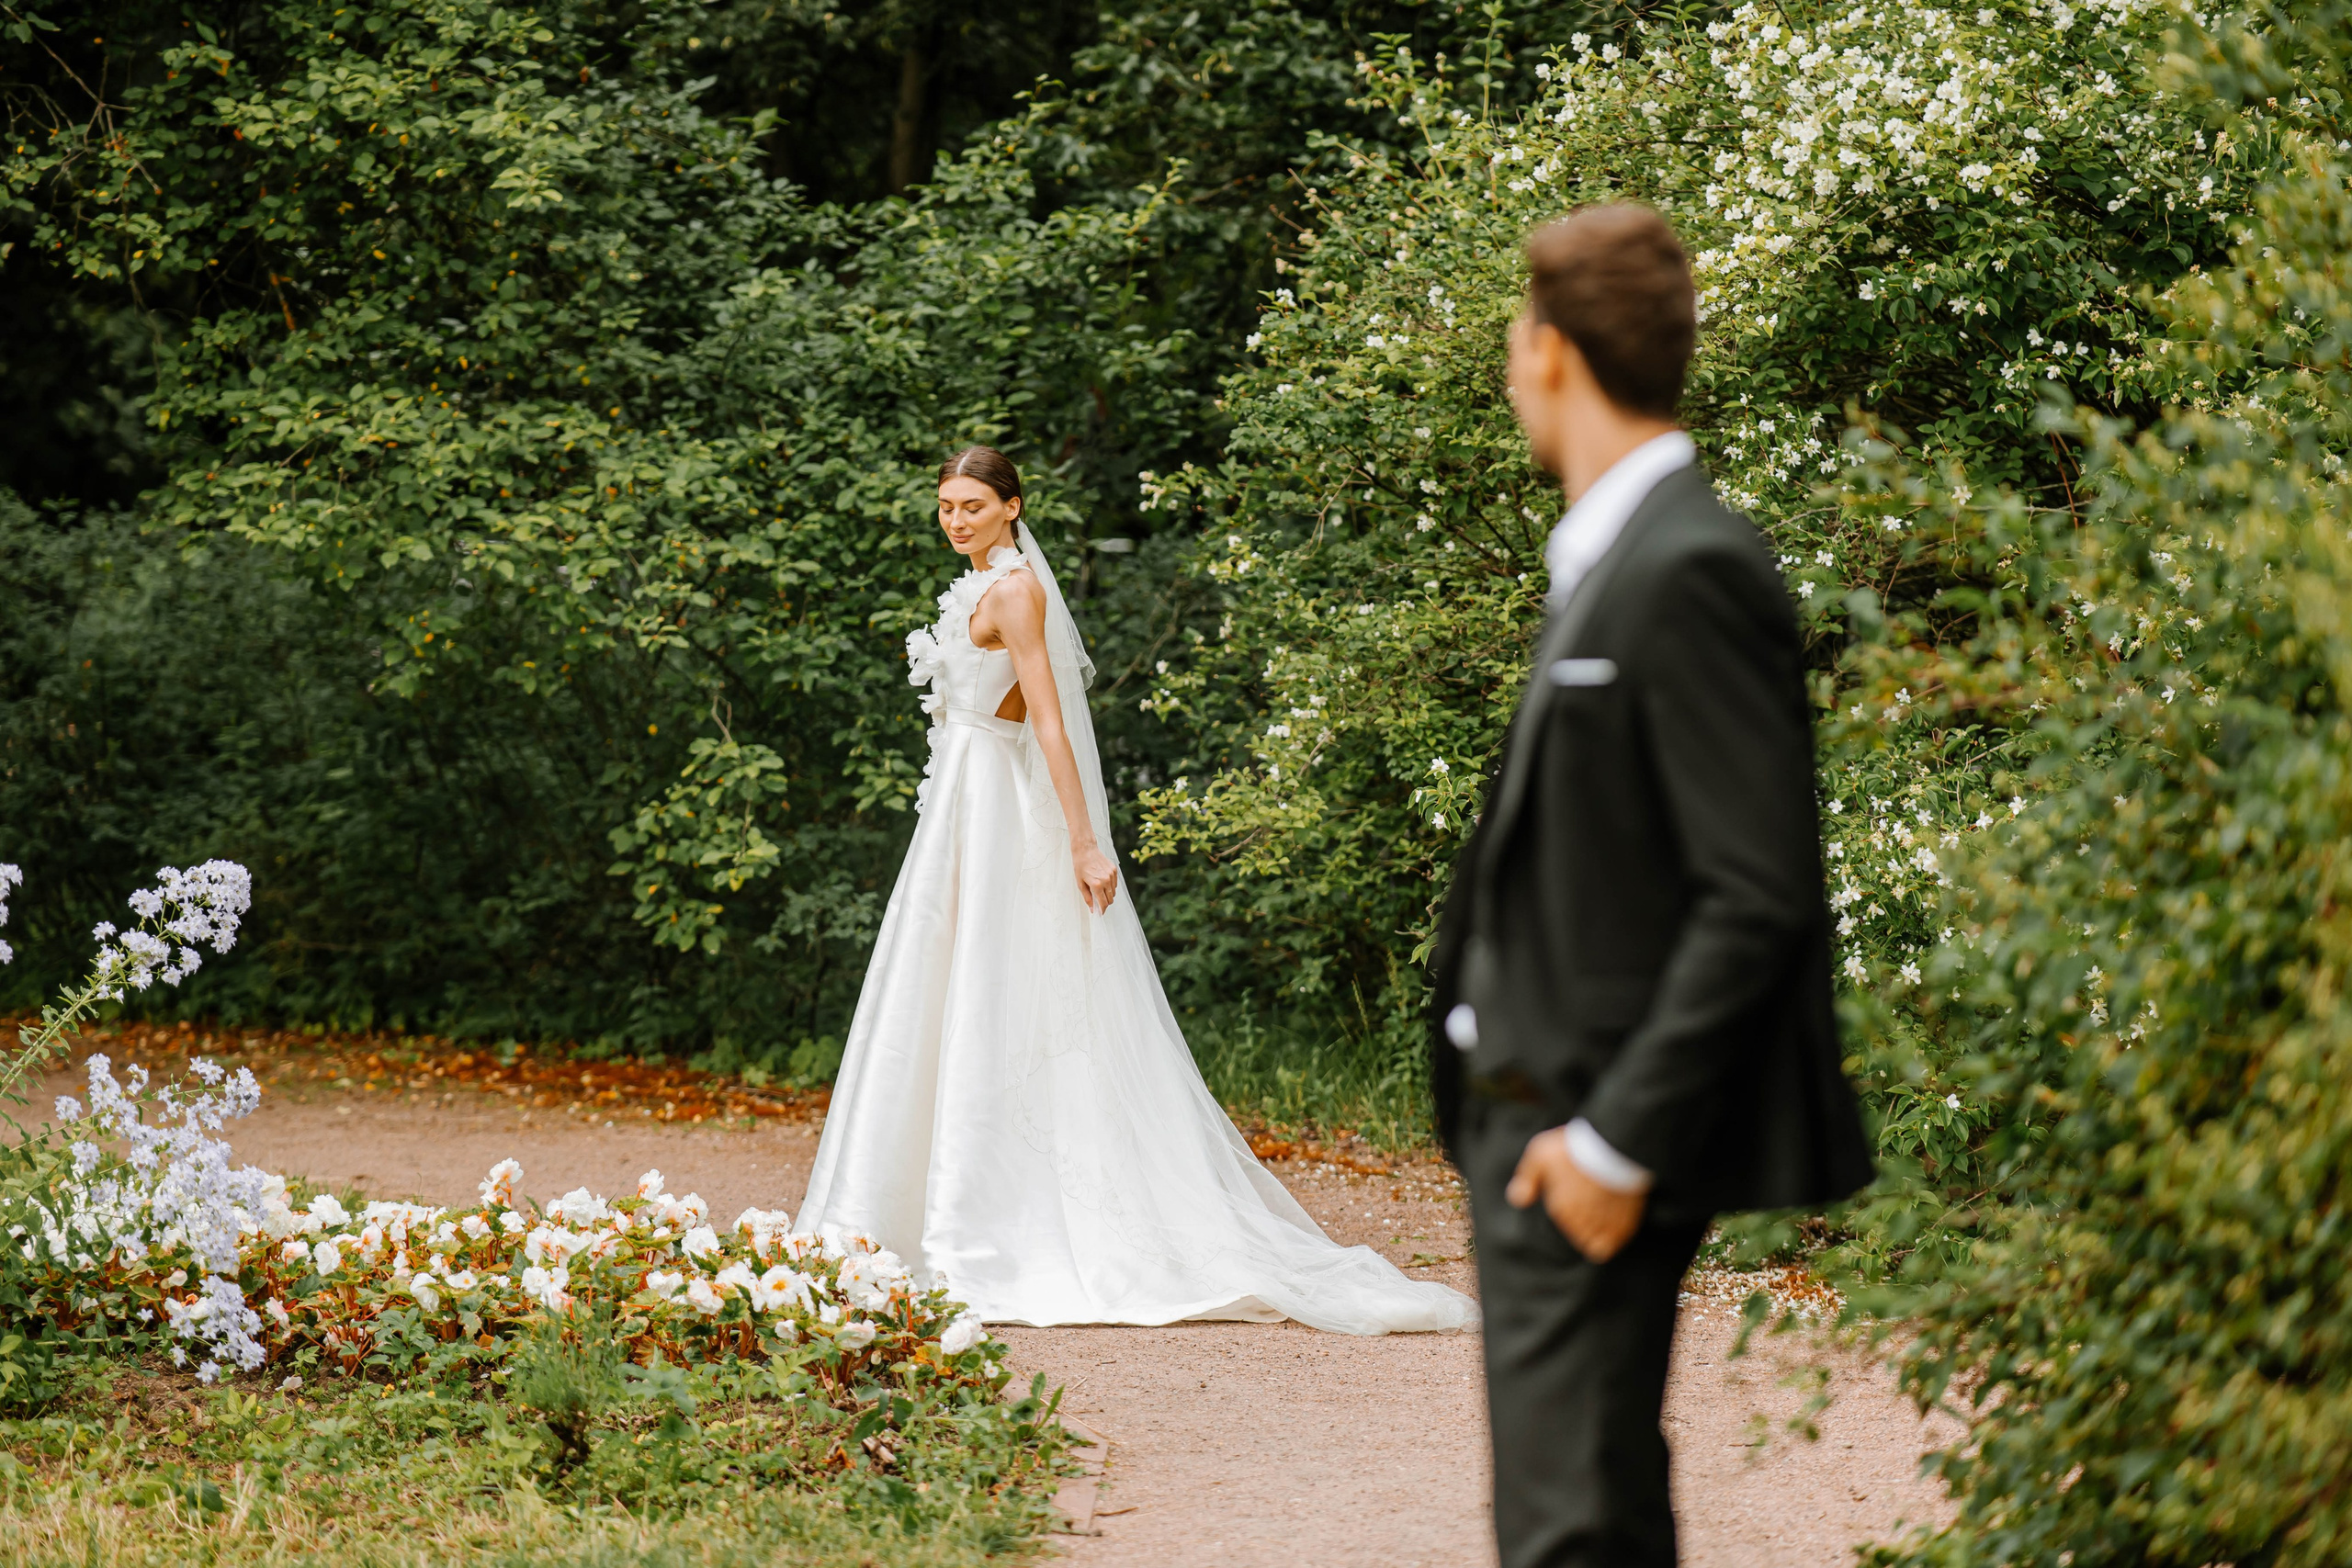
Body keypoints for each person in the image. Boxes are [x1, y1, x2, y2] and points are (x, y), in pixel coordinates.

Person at [1430, 206, 1876, 1566]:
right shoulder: (1613, 558)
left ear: (1551, 352)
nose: (1513, 363)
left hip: (1582, 1141)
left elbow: (1758, 891)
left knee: (1567, 1533)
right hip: (1532, 1126)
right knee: (1595, 1519)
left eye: (1518, 335)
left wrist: (1614, 1145)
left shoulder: (1692, 565)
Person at [796, 445, 1476, 1336]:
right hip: (958, 813)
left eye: (971, 506)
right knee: (940, 991)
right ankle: (903, 1214)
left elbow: (1045, 715)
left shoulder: (1014, 593)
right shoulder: (975, 588)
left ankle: (979, 1229)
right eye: (945, 506)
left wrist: (1084, 841)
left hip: (996, 812)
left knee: (988, 990)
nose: (955, 520)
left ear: (1011, 508)